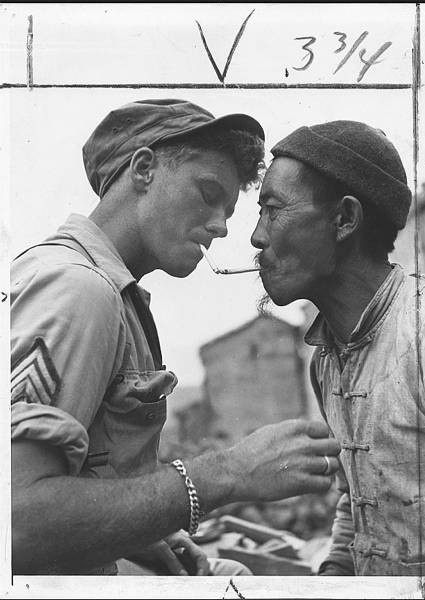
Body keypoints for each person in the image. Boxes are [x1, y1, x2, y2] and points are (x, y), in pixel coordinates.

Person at [11, 99, 341, 576]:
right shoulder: (81, 289)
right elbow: (16, 523)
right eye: (208, 194)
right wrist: (227, 473)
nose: (220, 226)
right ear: (143, 169)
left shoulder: (98, 288)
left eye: (228, 211)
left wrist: (140, 532)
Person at [251, 120, 425, 576]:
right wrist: (334, 572)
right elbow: (360, 496)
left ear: (345, 219)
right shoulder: (326, 362)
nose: (257, 237)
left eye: (272, 210)